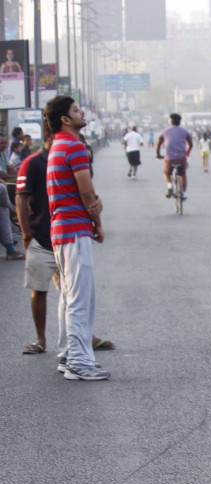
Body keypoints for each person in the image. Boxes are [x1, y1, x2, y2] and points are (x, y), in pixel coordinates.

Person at [18, 124, 113, 359]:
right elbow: (21, 199)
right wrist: (26, 234)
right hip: (43, 238)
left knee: (72, 295)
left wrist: (96, 207)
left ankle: (79, 341)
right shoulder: (34, 162)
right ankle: (43, 339)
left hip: (64, 235)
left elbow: (86, 192)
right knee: (41, 290)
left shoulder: (71, 156)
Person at [44, 96, 109, 380]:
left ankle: (67, 355)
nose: (81, 112)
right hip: (75, 229)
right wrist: (98, 222)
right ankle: (79, 363)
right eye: (75, 110)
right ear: (65, 120)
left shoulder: (56, 146)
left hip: (61, 229)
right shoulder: (74, 146)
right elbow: (86, 192)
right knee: (81, 298)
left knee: (69, 297)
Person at [155, 113, 194, 202]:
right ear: (180, 122)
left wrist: (158, 154)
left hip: (169, 158)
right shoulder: (185, 131)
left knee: (166, 173)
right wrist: (187, 152)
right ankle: (183, 193)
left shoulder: (165, 131)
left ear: (171, 121)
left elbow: (158, 143)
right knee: (183, 175)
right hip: (181, 158)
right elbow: (191, 144)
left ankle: (169, 185)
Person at [0, 131, 25, 261]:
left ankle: (10, 249)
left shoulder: (3, 154)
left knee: (2, 209)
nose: (4, 145)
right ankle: (14, 210)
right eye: (1, 143)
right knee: (3, 189)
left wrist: (17, 177)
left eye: (5, 143)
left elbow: (9, 170)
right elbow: (2, 176)